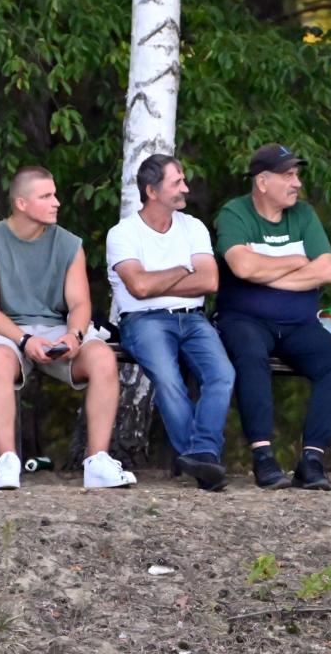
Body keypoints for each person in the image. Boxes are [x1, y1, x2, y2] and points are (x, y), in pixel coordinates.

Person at [0, 165, 137, 491]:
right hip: (4, 331)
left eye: (55, 195)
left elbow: (80, 304)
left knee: (103, 357)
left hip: (57, 329)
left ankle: (97, 462)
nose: (56, 202)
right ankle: (7, 461)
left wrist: (74, 335)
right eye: (46, 196)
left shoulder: (69, 244)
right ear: (21, 203)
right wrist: (24, 339)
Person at [214, 143, 331, 491]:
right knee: (250, 355)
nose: (297, 183)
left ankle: (312, 460)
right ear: (262, 182)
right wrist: (295, 261)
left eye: (297, 175)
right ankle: (263, 457)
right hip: (244, 320)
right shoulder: (235, 213)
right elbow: (242, 267)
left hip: (299, 324)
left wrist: (264, 275)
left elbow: (327, 271)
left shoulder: (303, 215)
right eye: (288, 176)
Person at [106, 154, 235, 491]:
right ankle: (204, 462)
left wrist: (157, 281)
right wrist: (182, 269)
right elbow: (139, 287)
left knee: (222, 374)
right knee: (168, 380)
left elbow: (209, 281)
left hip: (193, 319)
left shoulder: (193, 227)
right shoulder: (123, 233)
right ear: (152, 191)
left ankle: (201, 454)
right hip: (144, 321)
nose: (185, 189)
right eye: (176, 183)